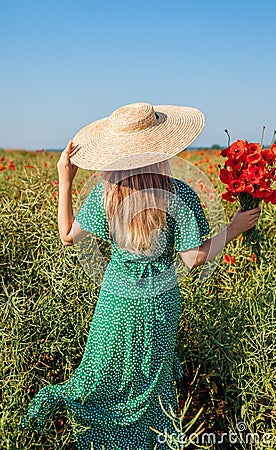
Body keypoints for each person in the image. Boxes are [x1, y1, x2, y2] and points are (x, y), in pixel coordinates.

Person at [21, 103, 260, 449]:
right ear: (162, 149)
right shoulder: (179, 196)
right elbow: (193, 259)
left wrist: (65, 178)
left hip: (114, 305)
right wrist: (234, 228)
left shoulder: (106, 195)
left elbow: (68, 235)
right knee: (150, 380)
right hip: (158, 307)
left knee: (102, 376)